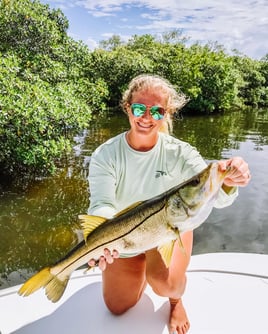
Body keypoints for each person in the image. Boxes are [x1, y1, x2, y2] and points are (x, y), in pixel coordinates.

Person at [87, 74, 251, 334]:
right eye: (139, 108)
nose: (146, 117)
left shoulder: (181, 153)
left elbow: (215, 196)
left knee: (166, 286)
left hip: (170, 227)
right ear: (127, 107)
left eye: (157, 110)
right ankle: (140, 264)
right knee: (117, 307)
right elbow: (101, 204)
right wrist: (104, 237)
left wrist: (229, 179)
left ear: (167, 113)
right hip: (124, 238)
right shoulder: (105, 154)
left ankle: (176, 301)